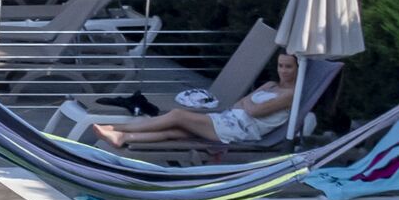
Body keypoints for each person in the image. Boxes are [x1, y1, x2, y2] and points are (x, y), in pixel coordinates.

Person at [91, 52, 307, 153]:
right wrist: (247, 106)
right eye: (281, 66)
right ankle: (122, 137)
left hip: (241, 130)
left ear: (298, 69)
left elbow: (255, 111)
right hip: (230, 119)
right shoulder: (270, 85)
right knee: (173, 130)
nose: (283, 71)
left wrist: (247, 106)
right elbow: (240, 103)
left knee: (177, 115)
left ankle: (113, 128)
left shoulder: (291, 94)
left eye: (289, 67)